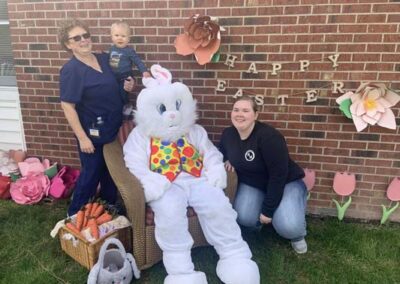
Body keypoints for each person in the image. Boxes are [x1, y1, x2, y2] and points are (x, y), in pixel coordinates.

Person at [58, 19, 135, 216]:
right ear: (68, 44)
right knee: (91, 174)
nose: (84, 40)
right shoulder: (71, 70)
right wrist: (83, 138)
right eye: (77, 38)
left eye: (86, 35)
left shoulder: (103, 59)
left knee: (111, 172)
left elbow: (118, 80)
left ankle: (107, 210)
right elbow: (67, 106)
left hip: (112, 127)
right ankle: (74, 216)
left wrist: (128, 85)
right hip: (91, 133)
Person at [219, 95, 308, 254]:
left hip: (286, 182)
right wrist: (228, 159)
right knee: (244, 216)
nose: (239, 114)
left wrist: (267, 210)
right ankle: (259, 222)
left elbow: (278, 175)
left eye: (245, 110)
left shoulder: (269, 137)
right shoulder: (228, 134)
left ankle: (297, 235)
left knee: (289, 226)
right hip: (254, 184)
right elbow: (222, 152)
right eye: (236, 110)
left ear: (255, 115)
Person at [109, 20, 151, 104]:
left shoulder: (129, 51)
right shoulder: (112, 49)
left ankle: (126, 106)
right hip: (114, 76)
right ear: (112, 37)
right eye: (116, 35)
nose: (120, 38)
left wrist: (144, 71)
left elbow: (138, 61)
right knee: (113, 94)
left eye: (123, 36)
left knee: (123, 94)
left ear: (128, 39)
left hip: (125, 76)